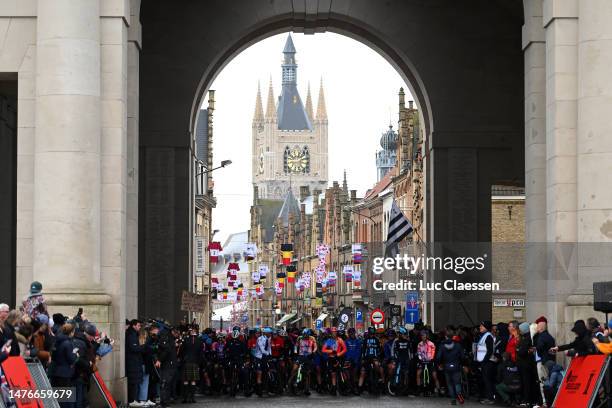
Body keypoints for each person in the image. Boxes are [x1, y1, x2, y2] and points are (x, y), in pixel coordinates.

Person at [50, 324, 78, 408]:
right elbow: (71, 359)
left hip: (56, 371)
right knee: (65, 399)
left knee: (58, 398)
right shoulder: (67, 343)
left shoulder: (57, 341)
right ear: (71, 332)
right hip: (65, 373)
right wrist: (75, 354)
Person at [436, 329, 464, 405]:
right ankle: (459, 393)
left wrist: (439, 364)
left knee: (450, 384)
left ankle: (453, 400)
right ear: (452, 336)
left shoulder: (442, 345)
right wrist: (461, 363)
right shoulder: (458, 345)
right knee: (457, 382)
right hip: (456, 366)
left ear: (445, 336)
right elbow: (462, 356)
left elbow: (438, 357)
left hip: (446, 366)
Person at [155, 322, 178, 408]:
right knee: (167, 384)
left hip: (167, 364)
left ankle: (164, 403)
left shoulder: (165, 337)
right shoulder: (169, 338)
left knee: (164, 384)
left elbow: (166, 351)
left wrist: (159, 360)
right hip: (171, 364)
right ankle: (165, 402)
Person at [178, 325, 203, 403]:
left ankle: (185, 398)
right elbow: (200, 353)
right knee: (193, 381)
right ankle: (192, 398)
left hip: (186, 362)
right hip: (195, 362)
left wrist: (182, 359)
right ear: (196, 331)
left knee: (185, 380)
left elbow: (181, 351)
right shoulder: (199, 340)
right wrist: (199, 363)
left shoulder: (186, 339)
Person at [516, 322, 538, 406]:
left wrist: (520, 350)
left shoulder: (528, 338)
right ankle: (525, 399)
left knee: (527, 383)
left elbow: (521, 351)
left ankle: (527, 400)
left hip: (526, 364)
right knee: (524, 382)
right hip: (522, 364)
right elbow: (519, 349)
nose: (519, 331)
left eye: (521, 329)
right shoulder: (523, 337)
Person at [357, 326, 383, 394]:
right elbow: (362, 350)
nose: (372, 335)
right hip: (366, 359)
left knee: (378, 366)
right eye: (370, 333)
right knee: (362, 373)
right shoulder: (365, 340)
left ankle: (380, 381)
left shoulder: (377, 340)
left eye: (373, 333)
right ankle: (359, 389)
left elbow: (380, 350)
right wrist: (362, 359)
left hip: (375, 358)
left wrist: (378, 358)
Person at [321, 327, 347, 395]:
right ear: (331, 333)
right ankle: (334, 388)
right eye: (332, 332)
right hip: (331, 358)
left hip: (339, 358)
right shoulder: (328, 340)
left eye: (335, 332)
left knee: (342, 372)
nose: (334, 333)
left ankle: (344, 387)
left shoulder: (340, 340)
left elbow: (344, 349)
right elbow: (323, 350)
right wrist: (331, 351)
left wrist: (338, 354)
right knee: (333, 374)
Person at [125, 319, 145, 407]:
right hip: (133, 362)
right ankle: (133, 400)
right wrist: (143, 347)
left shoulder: (133, 334)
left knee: (135, 382)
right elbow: (134, 348)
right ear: (133, 326)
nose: (140, 327)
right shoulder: (131, 335)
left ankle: (134, 399)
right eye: (138, 325)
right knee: (134, 382)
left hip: (134, 361)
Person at [291, 328, 317, 396]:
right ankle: (291, 381)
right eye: (304, 335)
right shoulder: (299, 338)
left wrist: (313, 352)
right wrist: (295, 352)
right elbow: (296, 346)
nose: (305, 337)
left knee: (307, 373)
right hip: (300, 356)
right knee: (294, 368)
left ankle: (307, 388)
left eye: (306, 336)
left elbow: (315, 347)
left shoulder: (312, 338)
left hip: (308, 356)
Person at [475, 320, 495, 404]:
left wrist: (484, 361)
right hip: (484, 362)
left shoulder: (488, 336)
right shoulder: (484, 335)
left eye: (482, 326)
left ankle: (490, 398)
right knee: (485, 380)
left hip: (487, 362)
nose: (480, 327)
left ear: (486, 328)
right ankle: (487, 397)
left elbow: (489, 351)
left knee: (487, 380)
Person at [416, 330, 440, 396]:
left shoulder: (431, 344)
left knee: (434, 376)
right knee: (418, 374)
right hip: (422, 361)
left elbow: (433, 352)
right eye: (421, 336)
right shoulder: (419, 344)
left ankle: (438, 389)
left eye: (424, 335)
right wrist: (420, 359)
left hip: (430, 361)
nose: (422, 337)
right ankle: (419, 389)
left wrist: (431, 359)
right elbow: (419, 353)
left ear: (427, 336)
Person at [254, 326, 272, 396]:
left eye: (270, 333)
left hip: (265, 357)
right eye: (269, 333)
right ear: (265, 333)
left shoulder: (269, 338)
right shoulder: (260, 339)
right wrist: (268, 354)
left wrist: (270, 355)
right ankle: (259, 390)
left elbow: (269, 348)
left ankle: (266, 388)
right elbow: (262, 349)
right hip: (259, 357)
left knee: (266, 372)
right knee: (259, 373)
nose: (270, 334)